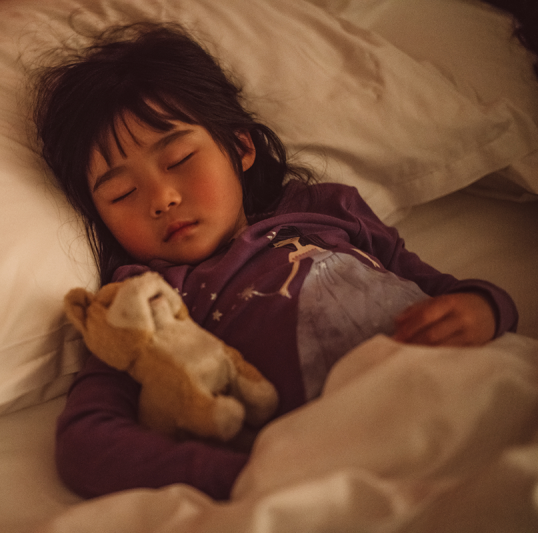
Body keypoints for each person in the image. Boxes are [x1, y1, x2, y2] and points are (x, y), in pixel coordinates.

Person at [32, 23, 519, 501]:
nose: (161, 198)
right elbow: (86, 443)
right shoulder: (141, 302)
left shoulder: (328, 209)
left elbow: (439, 288)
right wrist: (241, 473)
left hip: (467, 386)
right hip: (348, 450)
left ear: (241, 148)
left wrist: (485, 308)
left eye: (178, 158)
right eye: (122, 193)